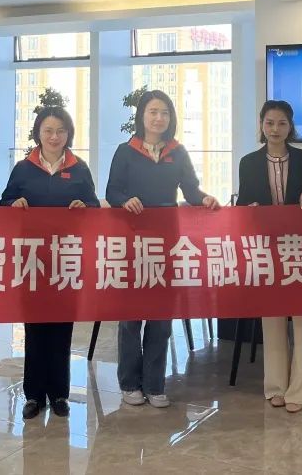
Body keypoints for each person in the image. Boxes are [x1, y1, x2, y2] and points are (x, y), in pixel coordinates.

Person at [106, 89, 221, 408]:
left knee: (160, 315)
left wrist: (205, 199)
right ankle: (130, 383)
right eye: (153, 112)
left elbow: (191, 190)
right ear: (142, 115)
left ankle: (155, 383)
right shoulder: (125, 151)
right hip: (132, 242)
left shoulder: (178, 152)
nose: (159, 118)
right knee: (131, 317)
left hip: (167, 243)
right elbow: (112, 191)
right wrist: (124, 200)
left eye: (165, 113)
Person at [0, 106, 99, 421]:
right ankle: (33, 394)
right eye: (48, 131)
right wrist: (13, 204)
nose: (54, 137)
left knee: (61, 327)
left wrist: (85, 207)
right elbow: (4, 202)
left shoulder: (79, 169)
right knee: (34, 328)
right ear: (38, 133)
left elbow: (94, 206)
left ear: (68, 134)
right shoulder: (23, 168)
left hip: (66, 258)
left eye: (60, 131)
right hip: (32, 259)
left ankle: (59, 394)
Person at [237, 100, 302, 414]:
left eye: (282, 123)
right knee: (272, 318)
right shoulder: (248, 162)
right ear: (262, 125)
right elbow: (243, 202)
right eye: (270, 123)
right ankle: (275, 386)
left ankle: (301, 390)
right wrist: (249, 209)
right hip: (266, 248)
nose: (275, 129)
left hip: (300, 247)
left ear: (291, 127)